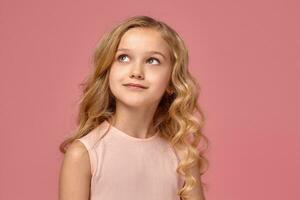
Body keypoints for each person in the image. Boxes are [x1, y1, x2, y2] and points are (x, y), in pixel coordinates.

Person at [58, 15, 209, 200]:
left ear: (172, 81)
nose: (136, 72)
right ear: (107, 71)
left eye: (152, 61)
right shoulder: (84, 154)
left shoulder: (183, 157)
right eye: (123, 58)